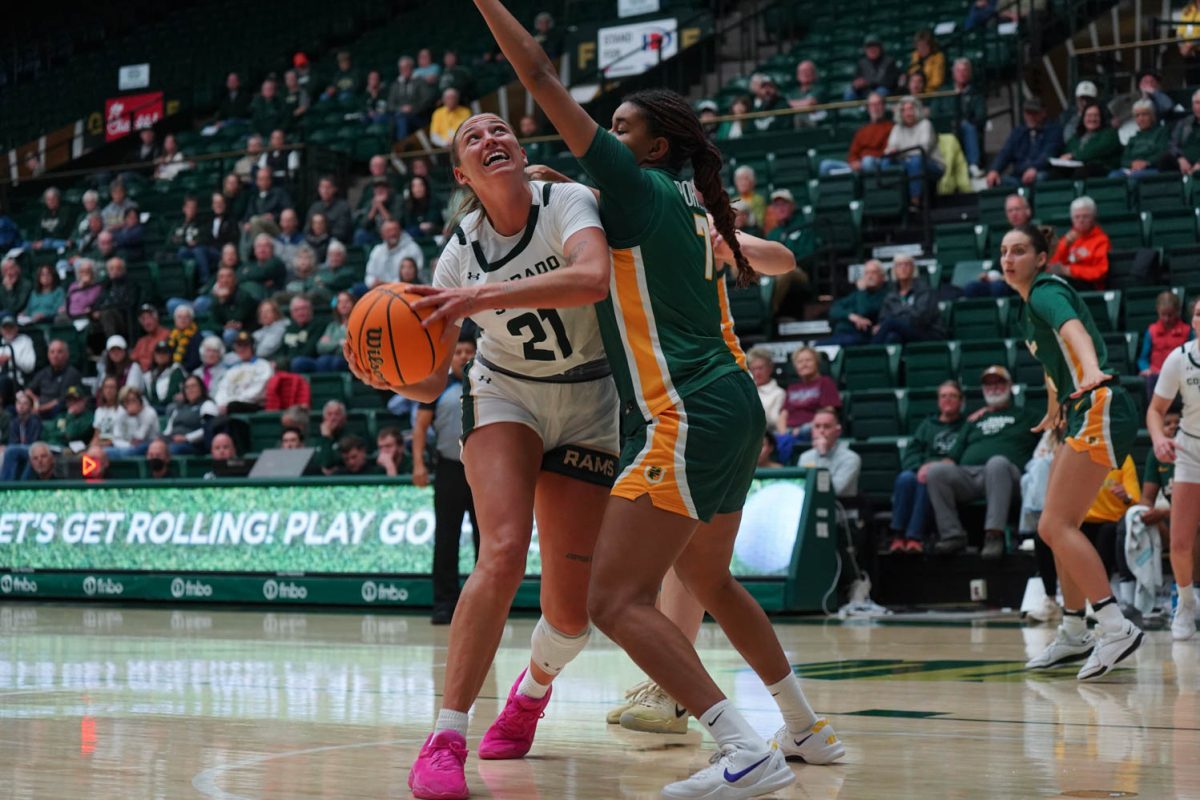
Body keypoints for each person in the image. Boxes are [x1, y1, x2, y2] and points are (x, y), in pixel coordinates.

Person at [409, 6, 845, 798]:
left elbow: (539, 77)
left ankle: (738, 749)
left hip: (670, 406)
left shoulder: (609, 196)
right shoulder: (669, 203)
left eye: (619, 125)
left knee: (606, 599)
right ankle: (803, 728)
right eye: (469, 140)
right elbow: (773, 256)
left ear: (650, 145)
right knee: (701, 581)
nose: (603, 131)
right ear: (461, 178)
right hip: (714, 400)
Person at [345, 109, 622, 798]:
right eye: (473, 137)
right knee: (500, 549)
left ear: (521, 151)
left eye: (500, 130)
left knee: (568, 614)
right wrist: (385, 366)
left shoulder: (568, 201)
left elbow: (592, 278)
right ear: (461, 173)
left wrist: (480, 295)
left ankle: (531, 692)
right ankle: (444, 736)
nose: (489, 138)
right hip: (507, 395)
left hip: (591, 400)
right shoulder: (459, 249)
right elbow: (432, 380)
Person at [1001, 223, 1144, 679]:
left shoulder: (1045, 291)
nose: (1008, 259)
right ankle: (1075, 630)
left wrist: (1091, 369)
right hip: (1078, 409)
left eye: (1019, 250)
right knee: (1058, 526)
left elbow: (1073, 330)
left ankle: (1114, 625)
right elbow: (1052, 364)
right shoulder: (1025, 308)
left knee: (1054, 524)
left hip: (1099, 400)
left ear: (1041, 258)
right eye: (1003, 251)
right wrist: (1053, 407)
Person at [927, 366, 1040, 557]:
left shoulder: (1026, 415)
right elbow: (952, 457)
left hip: (1007, 475)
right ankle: (952, 535)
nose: (994, 388)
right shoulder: (973, 420)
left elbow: (1051, 436)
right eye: (989, 384)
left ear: (1009, 386)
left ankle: (994, 536)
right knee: (936, 472)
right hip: (971, 475)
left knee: (996, 463)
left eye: (999, 383)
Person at [412, 331, 482, 624]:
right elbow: (420, 426)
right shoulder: (438, 387)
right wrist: (418, 463)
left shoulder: (487, 384)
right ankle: (444, 604)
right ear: (450, 357)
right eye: (458, 352)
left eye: (469, 351)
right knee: (446, 538)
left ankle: (484, 605)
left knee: (486, 540)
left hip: (483, 471)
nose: (464, 356)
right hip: (450, 469)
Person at [1146, 296, 1200, 641]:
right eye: (1198, 312)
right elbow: (1155, 411)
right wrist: (1157, 439)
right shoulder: (1178, 359)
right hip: (1190, 450)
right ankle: (1186, 606)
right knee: (1180, 541)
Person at [890, 380, 965, 553]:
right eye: (943, 396)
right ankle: (898, 536)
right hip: (921, 471)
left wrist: (935, 466)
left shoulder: (966, 426)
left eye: (953, 396)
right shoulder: (927, 425)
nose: (948, 400)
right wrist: (919, 468)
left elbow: (966, 454)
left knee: (929, 479)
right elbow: (911, 453)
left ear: (961, 401)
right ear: (938, 401)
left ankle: (915, 537)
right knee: (905, 478)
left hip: (948, 475)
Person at [882, 95, 944, 210]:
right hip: (907, 162)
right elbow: (890, 149)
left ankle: (915, 200)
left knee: (915, 161)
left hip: (932, 164)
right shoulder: (897, 128)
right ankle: (889, 201)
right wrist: (892, 152)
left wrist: (901, 154)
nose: (908, 113)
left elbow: (922, 150)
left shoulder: (925, 124)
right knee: (886, 162)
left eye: (910, 109)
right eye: (904, 110)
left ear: (917, 110)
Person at [965, 195, 1032, 297]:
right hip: (1004, 280)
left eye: (1017, 209)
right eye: (1010, 211)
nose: (1014, 214)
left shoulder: (1035, 235)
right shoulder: (1008, 236)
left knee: (998, 287)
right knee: (971, 288)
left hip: (1023, 282)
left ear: (1027, 211)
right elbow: (999, 265)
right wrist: (989, 275)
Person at [986, 98, 1062, 187]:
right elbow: (1005, 152)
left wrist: (1034, 168)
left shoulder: (1054, 130)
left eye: (1034, 113)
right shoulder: (1018, 132)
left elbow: (1048, 154)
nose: (1030, 117)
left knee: (1040, 177)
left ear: (1043, 113)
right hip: (1019, 175)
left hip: (1041, 172)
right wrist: (994, 170)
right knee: (997, 181)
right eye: (1028, 113)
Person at [872, 253, 943, 343]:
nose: (903, 268)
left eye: (907, 264)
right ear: (894, 271)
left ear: (913, 269)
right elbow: (883, 318)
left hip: (927, 332)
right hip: (903, 332)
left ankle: (869, 353)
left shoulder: (925, 291)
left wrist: (897, 319)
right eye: (899, 265)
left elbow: (921, 318)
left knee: (890, 323)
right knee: (892, 337)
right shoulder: (891, 296)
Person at [818, 91, 893, 175]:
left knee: (867, 161)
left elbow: (887, 152)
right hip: (859, 166)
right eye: (872, 105)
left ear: (883, 106)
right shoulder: (862, 130)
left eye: (878, 104)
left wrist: (864, 160)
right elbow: (853, 153)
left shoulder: (890, 127)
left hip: (876, 165)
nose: (875, 108)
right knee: (825, 165)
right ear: (868, 108)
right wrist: (854, 162)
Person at [780, 347, 841, 447]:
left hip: (812, 429)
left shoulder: (826, 382)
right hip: (790, 431)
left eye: (808, 360)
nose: (804, 364)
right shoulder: (792, 388)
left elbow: (829, 411)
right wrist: (783, 434)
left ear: (817, 363)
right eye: (800, 362)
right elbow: (783, 415)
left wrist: (803, 430)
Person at [816, 259, 887, 346]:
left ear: (882, 276)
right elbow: (834, 310)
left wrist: (862, 291)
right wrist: (851, 316)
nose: (869, 276)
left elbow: (864, 311)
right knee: (818, 345)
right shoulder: (856, 294)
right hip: (841, 334)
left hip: (861, 335)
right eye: (867, 273)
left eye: (873, 272)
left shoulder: (884, 295)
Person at [1047, 196, 1110, 291]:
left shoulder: (1101, 240)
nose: (1081, 220)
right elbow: (1052, 265)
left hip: (1090, 287)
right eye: (1077, 217)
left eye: (1085, 216)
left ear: (1093, 218)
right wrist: (1064, 244)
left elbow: (1100, 272)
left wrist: (1070, 270)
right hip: (1068, 284)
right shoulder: (1067, 239)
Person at [1138, 290, 1192, 398]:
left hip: (1180, 375)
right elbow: (1142, 358)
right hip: (1156, 376)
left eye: (1170, 315)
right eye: (1163, 315)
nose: (1166, 319)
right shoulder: (1151, 331)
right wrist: (1145, 369)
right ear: (1158, 311)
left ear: (1177, 311)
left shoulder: (1187, 331)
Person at [797, 408, 862, 498]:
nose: (821, 431)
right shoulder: (805, 457)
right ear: (812, 431)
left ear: (837, 431)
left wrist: (823, 455)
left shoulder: (851, 458)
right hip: (811, 508)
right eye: (817, 426)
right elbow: (800, 488)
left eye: (827, 426)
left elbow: (833, 490)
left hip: (840, 509)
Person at [214, 332, 273, 414]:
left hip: (252, 405)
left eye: (245, 346)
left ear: (253, 347)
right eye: (239, 346)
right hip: (229, 405)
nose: (241, 349)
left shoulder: (263, 366)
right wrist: (221, 404)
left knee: (233, 406)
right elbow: (222, 388)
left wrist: (230, 402)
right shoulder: (233, 369)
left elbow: (257, 392)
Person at [1058, 102, 1122, 178]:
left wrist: (1073, 156)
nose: (1092, 119)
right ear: (1083, 118)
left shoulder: (1110, 134)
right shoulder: (1076, 137)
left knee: (1081, 172)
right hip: (1077, 168)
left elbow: (1095, 150)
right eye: (1089, 115)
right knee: (1054, 174)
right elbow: (1066, 152)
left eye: (1096, 115)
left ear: (1101, 118)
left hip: (1102, 168)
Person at [293, 291, 352, 373]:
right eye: (340, 302)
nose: (343, 304)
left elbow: (350, 349)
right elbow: (320, 347)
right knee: (299, 362)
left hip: (347, 361)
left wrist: (331, 344)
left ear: (353, 303)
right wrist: (339, 343)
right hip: (326, 360)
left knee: (330, 361)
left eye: (347, 301)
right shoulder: (332, 326)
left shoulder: (357, 325)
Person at [1111, 99, 1170, 179]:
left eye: (1144, 115)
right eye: (1137, 115)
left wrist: (1146, 163)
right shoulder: (1133, 138)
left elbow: (1162, 153)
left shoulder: (1161, 132)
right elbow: (1124, 159)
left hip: (1152, 168)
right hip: (1131, 170)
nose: (1141, 119)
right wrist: (1132, 164)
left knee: (1135, 176)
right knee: (1114, 176)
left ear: (1152, 116)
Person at [26, 339, 82, 420]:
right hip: (38, 408)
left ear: (67, 354)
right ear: (48, 355)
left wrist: (40, 408)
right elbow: (28, 390)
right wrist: (35, 399)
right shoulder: (43, 372)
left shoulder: (72, 374)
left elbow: (61, 400)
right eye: (52, 352)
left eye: (59, 352)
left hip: (56, 412)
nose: (55, 355)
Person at [163, 374, 216, 455]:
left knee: (169, 450)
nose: (190, 389)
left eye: (193, 386)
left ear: (201, 388)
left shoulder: (207, 404)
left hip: (194, 445)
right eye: (187, 387)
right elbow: (168, 429)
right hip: (173, 441)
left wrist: (187, 438)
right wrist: (162, 439)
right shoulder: (179, 407)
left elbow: (209, 428)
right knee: (152, 447)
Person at [389, 55, 437, 140]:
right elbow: (390, 104)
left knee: (402, 119)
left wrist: (412, 109)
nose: (404, 70)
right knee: (397, 119)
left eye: (406, 67)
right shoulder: (396, 84)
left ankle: (401, 147)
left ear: (412, 67)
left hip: (418, 115)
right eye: (402, 68)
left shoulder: (420, 81)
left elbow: (427, 100)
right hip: (399, 115)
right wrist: (401, 109)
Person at [364, 220, 424, 288]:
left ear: (400, 231)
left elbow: (416, 275)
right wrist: (372, 283)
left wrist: (388, 284)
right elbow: (370, 274)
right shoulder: (377, 251)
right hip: (379, 290)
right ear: (382, 234)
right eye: (388, 230)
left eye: (395, 229)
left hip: (405, 288)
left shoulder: (412, 248)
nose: (393, 233)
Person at [846, 34, 901, 100]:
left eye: (874, 46)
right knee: (849, 93)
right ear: (865, 50)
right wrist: (856, 85)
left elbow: (890, 83)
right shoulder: (861, 63)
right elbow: (856, 80)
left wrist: (869, 83)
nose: (872, 49)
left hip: (883, 92)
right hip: (866, 91)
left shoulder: (889, 61)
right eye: (869, 47)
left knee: (881, 91)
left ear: (880, 48)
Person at [109, 385, 159, 458]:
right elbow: (116, 436)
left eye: (133, 400)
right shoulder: (122, 412)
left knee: (128, 451)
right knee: (104, 451)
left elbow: (139, 438)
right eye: (127, 401)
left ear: (140, 400)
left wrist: (133, 417)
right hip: (128, 446)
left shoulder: (149, 413)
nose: (130, 404)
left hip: (148, 444)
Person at [0, 315, 36, 407]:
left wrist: (11, 359)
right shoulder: (1, 344)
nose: (8, 330)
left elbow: (29, 367)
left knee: (3, 381)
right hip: (2, 379)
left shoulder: (25, 341)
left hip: (17, 383)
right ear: (1, 330)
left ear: (16, 328)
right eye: (5, 328)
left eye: (11, 327)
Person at [306, 176, 353, 245]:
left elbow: (342, 232)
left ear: (335, 189)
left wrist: (324, 234)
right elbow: (306, 229)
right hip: (314, 242)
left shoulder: (343, 207)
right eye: (322, 187)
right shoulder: (315, 207)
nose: (325, 191)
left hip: (335, 243)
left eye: (328, 188)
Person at [746, 347, 785, 432]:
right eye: (753, 369)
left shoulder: (779, 393)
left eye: (760, 368)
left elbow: (774, 421)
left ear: (770, 368)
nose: (757, 373)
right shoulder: (746, 390)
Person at [141, 340, 185, 414]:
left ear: (170, 355)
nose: (161, 355)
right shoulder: (148, 375)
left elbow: (172, 395)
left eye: (164, 353)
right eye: (158, 353)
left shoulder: (176, 370)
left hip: (168, 408)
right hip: (151, 409)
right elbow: (146, 396)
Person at [1169, 89, 1200, 177]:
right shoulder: (1184, 123)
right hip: (1184, 161)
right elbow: (1173, 144)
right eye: (1197, 103)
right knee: (1165, 159)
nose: (1199, 106)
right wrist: (1180, 158)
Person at [131, 303, 169, 371]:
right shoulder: (141, 341)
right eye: (143, 319)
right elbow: (132, 360)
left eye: (149, 317)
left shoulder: (167, 335)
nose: (147, 322)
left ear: (156, 318)